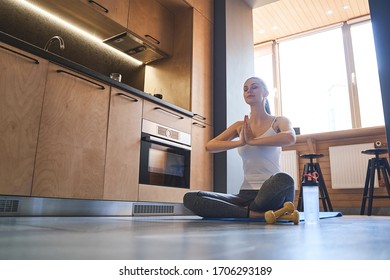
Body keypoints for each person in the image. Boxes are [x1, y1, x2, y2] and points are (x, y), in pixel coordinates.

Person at [183, 77, 296, 218]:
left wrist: (253, 141)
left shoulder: (279, 121)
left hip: (270, 191)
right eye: (245, 89)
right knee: (191, 198)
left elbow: (290, 137)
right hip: (244, 195)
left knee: (284, 179)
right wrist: (240, 142)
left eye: (254, 87)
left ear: (266, 93)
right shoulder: (239, 126)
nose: (249, 90)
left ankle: (249, 212)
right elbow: (210, 146)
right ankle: (254, 214)